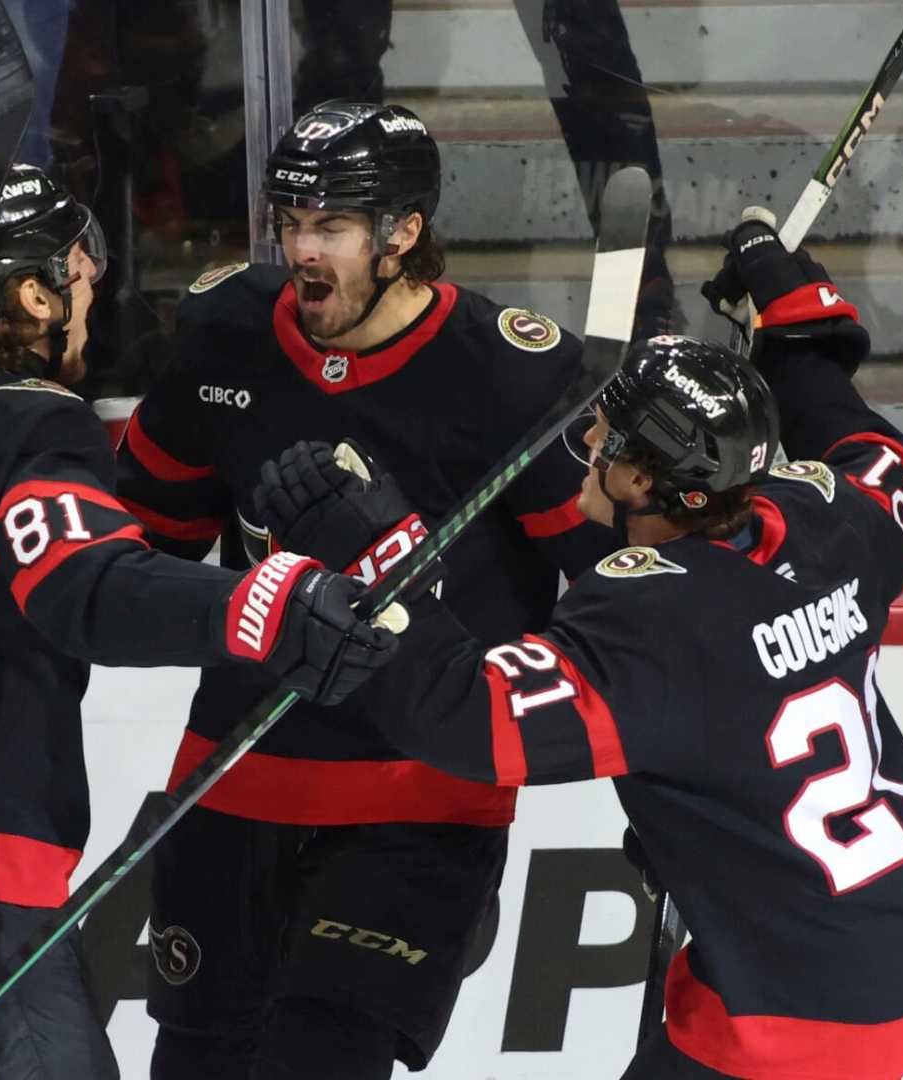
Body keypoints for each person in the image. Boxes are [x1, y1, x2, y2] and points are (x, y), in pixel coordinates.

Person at [259, 222, 903, 1079]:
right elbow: (880, 458)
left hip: (788, 1005)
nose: (588, 446)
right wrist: (796, 327)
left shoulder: (656, 614)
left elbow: (471, 722)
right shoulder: (827, 521)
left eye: (605, 437)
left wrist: (379, 549)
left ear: (645, 480)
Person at [0, 164, 397, 1078]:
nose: (91, 286)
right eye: (77, 271)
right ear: (31, 295)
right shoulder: (30, 427)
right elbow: (84, 586)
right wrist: (265, 605)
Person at [113, 100, 617, 1078]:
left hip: (420, 800)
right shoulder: (224, 334)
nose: (302, 250)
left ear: (403, 234)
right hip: (233, 775)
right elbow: (142, 543)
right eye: (290, 223)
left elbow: (616, 589)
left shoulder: (512, 374)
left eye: (330, 228)